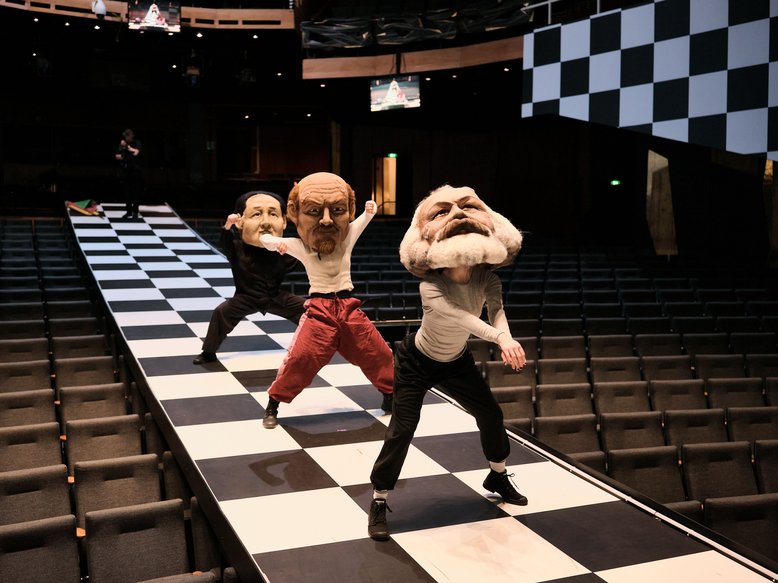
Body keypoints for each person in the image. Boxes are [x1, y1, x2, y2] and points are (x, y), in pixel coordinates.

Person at [367, 184, 528, 542]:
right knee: (403, 429)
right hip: (416, 362)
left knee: (491, 414)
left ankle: (497, 475)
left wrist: (506, 335)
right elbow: (460, 316)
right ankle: (379, 499)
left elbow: (496, 311)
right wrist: (500, 339)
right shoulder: (430, 285)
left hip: (456, 361)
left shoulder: (488, 278)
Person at [258, 171, 394, 428]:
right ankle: (273, 404)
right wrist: (276, 243)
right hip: (319, 309)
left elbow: (364, 219)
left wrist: (370, 209)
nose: (326, 220)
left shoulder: (346, 239)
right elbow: (264, 239)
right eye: (314, 211)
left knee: (378, 352)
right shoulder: (302, 246)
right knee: (300, 358)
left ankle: (390, 395)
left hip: (348, 306)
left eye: (338, 210)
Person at [193, 190, 307, 365]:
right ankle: (208, 352)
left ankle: (318, 345)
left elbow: (308, 256)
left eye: (273, 214)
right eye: (256, 214)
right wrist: (228, 224)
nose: (266, 222)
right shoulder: (237, 248)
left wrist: (292, 249)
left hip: (275, 296)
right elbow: (226, 241)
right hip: (246, 297)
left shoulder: (283, 251)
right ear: (241, 221)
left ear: (284, 222)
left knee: (309, 310)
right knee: (221, 313)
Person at [114, 128, 143, 220]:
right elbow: (117, 156)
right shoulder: (122, 144)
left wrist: (127, 147)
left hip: (135, 171)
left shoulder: (137, 143)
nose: (126, 138)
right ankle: (128, 211)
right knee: (127, 192)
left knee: (136, 192)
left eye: (128, 136)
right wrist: (123, 156)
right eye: (125, 136)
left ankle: (135, 211)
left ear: (132, 136)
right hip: (126, 171)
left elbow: (136, 152)